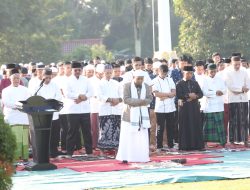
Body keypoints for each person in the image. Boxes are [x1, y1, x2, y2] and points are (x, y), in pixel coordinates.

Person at [116, 70, 153, 162]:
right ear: (133, 78)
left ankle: (141, 158)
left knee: (141, 138)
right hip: (129, 116)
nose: (140, 81)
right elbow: (126, 99)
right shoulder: (127, 86)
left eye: (142, 79)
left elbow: (150, 98)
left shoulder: (147, 87)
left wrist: (141, 102)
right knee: (128, 137)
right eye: (138, 79)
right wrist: (140, 102)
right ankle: (126, 157)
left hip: (142, 116)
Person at [64, 61, 93, 156]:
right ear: (72, 70)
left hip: (85, 109)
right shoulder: (68, 80)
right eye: (75, 70)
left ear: (81, 70)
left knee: (87, 131)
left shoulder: (86, 80)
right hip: (72, 110)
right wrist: (79, 96)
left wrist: (82, 98)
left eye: (79, 70)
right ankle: (69, 152)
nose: (77, 71)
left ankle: (89, 152)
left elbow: (91, 92)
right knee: (72, 132)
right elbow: (67, 93)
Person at [2, 69, 30, 160]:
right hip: (12, 118)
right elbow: (6, 102)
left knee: (25, 140)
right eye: (14, 78)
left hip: (24, 117)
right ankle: (15, 158)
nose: (16, 80)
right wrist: (18, 105)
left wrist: (22, 106)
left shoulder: (25, 90)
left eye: (18, 78)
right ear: (10, 78)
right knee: (16, 139)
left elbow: (28, 101)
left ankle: (25, 157)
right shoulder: (6, 90)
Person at [34, 68, 63, 157]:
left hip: (53, 114)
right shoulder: (38, 86)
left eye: (49, 78)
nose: (48, 80)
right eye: (46, 78)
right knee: (45, 135)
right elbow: (34, 97)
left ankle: (53, 152)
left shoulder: (55, 85)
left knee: (54, 134)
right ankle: (44, 152)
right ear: (42, 76)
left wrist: (51, 102)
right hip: (42, 115)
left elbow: (59, 97)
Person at [96, 64, 123, 156]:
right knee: (104, 130)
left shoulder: (116, 83)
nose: (108, 74)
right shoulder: (99, 83)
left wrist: (118, 100)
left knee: (116, 130)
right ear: (103, 73)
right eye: (107, 73)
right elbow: (99, 96)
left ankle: (116, 150)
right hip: (105, 110)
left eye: (110, 73)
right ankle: (102, 151)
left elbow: (122, 95)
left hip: (116, 109)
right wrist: (111, 100)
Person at [176, 65, 204, 151]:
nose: (189, 75)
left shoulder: (195, 83)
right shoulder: (179, 83)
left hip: (194, 108)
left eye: (191, 73)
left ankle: (197, 145)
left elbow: (201, 94)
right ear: (183, 73)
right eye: (187, 73)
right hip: (184, 108)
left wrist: (195, 96)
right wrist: (188, 95)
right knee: (185, 126)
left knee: (195, 125)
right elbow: (179, 95)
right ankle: (185, 146)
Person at [224, 56, 250, 147]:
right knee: (233, 120)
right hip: (233, 100)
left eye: (239, 64)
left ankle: (245, 140)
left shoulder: (244, 71)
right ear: (231, 63)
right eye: (235, 64)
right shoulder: (228, 71)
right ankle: (232, 140)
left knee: (244, 120)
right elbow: (230, 86)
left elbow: (248, 83)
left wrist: (246, 88)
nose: (237, 66)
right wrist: (241, 89)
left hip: (244, 99)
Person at [152, 65, 176, 152]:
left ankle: (171, 145)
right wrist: (168, 95)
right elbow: (156, 94)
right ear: (159, 71)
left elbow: (174, 92)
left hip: (170, 107)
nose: (164, 75)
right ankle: (159, 146)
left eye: (166, 73)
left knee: (170, 127)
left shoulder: (170, 79)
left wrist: (165, 96)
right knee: (160, 128)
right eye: (163, 73)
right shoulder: (154, 81)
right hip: (160, 108)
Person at [202, 64, 227, 147]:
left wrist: (222, 92)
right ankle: (205, 142)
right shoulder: (204, 80)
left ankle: (222, 142)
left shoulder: (220, 79)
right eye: (211, 71)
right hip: (209, 106)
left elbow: (225, 90)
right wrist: (215, 93)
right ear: (207, 71)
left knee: (219, 125)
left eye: (214, 71)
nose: (213, 73)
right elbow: (204, 92)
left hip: (219, 105)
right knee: (208, 126)